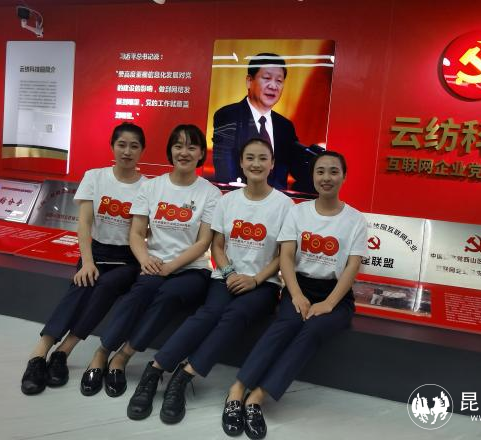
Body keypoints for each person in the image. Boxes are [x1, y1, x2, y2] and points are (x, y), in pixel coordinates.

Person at [126, 138, 294, 424]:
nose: (256, 164)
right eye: (250, 157)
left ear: (272, 164)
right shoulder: (227, 201)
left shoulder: (285, 205)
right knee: (209, 313)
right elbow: (217, 246)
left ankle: (184, 375)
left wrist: (255, 280)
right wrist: (229, 273)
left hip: (263, 284)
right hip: (225, 278)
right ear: (241, 162)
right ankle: (154, 370)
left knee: (236, 314)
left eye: (262, 158)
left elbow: (283, 255)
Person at [223, 151, 368, 439]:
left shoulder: (355, 220)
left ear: (344, 176)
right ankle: (237, 390)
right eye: (320, 171)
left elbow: (352, 267)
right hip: (298, 287)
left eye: (334, 171)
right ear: (312, 176)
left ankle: (256, 398)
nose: (327, 178)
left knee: (313, 329)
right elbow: (286, 257)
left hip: (336, 295)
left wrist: (328, 303)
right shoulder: (298, 212)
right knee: (287, 322)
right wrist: (297, 294)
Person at [80, 124, 221, 398]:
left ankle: (123, 356)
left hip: (192, 270)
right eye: (178, 146)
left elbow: (203, 242)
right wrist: (145, 259)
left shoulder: (210, 193)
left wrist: (170, 267)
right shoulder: (152, 187)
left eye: (191, 147)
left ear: (201, 153)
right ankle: (102, 353)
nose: (184, 152)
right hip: (153, 263)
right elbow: (136, 233)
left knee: (169, 295)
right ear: (170, 150)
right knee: (140, 292)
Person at [20, 122, 147, 395]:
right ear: (112, 146)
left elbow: (142, 232)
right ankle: (40, 354)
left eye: (134, 146)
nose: (127, 151)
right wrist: (87, 262)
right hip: (96, 252)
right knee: (82, 283)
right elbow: (85, 223)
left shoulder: (147, 187)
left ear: (142, 151)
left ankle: (64, 351)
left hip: (127, 259)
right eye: (122, 145)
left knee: (105, 285)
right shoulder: (95, 177)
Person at [213, 52, 314, 192]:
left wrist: (318, 161)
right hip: (239, 199)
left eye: (279, 81)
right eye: (267, 78)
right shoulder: (229, 115)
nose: (273, 86)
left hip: (276, 201)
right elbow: (225, 170)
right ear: (249, 81)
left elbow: (300, 172)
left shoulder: (285, 126)